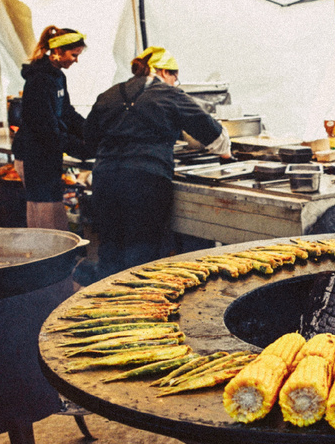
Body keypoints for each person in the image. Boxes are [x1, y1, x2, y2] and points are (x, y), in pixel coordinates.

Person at [82, 46, 231, 279]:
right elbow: (212, 132)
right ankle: (140, 305)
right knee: (141, 254)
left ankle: (105, 302)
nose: (175, 82)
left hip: (105, 178)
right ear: (163, 72)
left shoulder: (109, 94)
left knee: (110, 249)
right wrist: (225, 152)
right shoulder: (169, 93)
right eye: (175, 76)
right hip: (145, 182)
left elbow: (89, 138)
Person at [12, 26, 88, 230]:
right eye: (74, 55)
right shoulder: (39, 80)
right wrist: (79, 148)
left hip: (46, 152)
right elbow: (44, 128)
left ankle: (53, 256)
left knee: (51, 210)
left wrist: (89, 130)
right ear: (57, 51)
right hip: (33, 155)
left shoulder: (57, 76)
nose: (76, 60)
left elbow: (67, 112)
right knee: (44, 215)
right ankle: (47, 259)